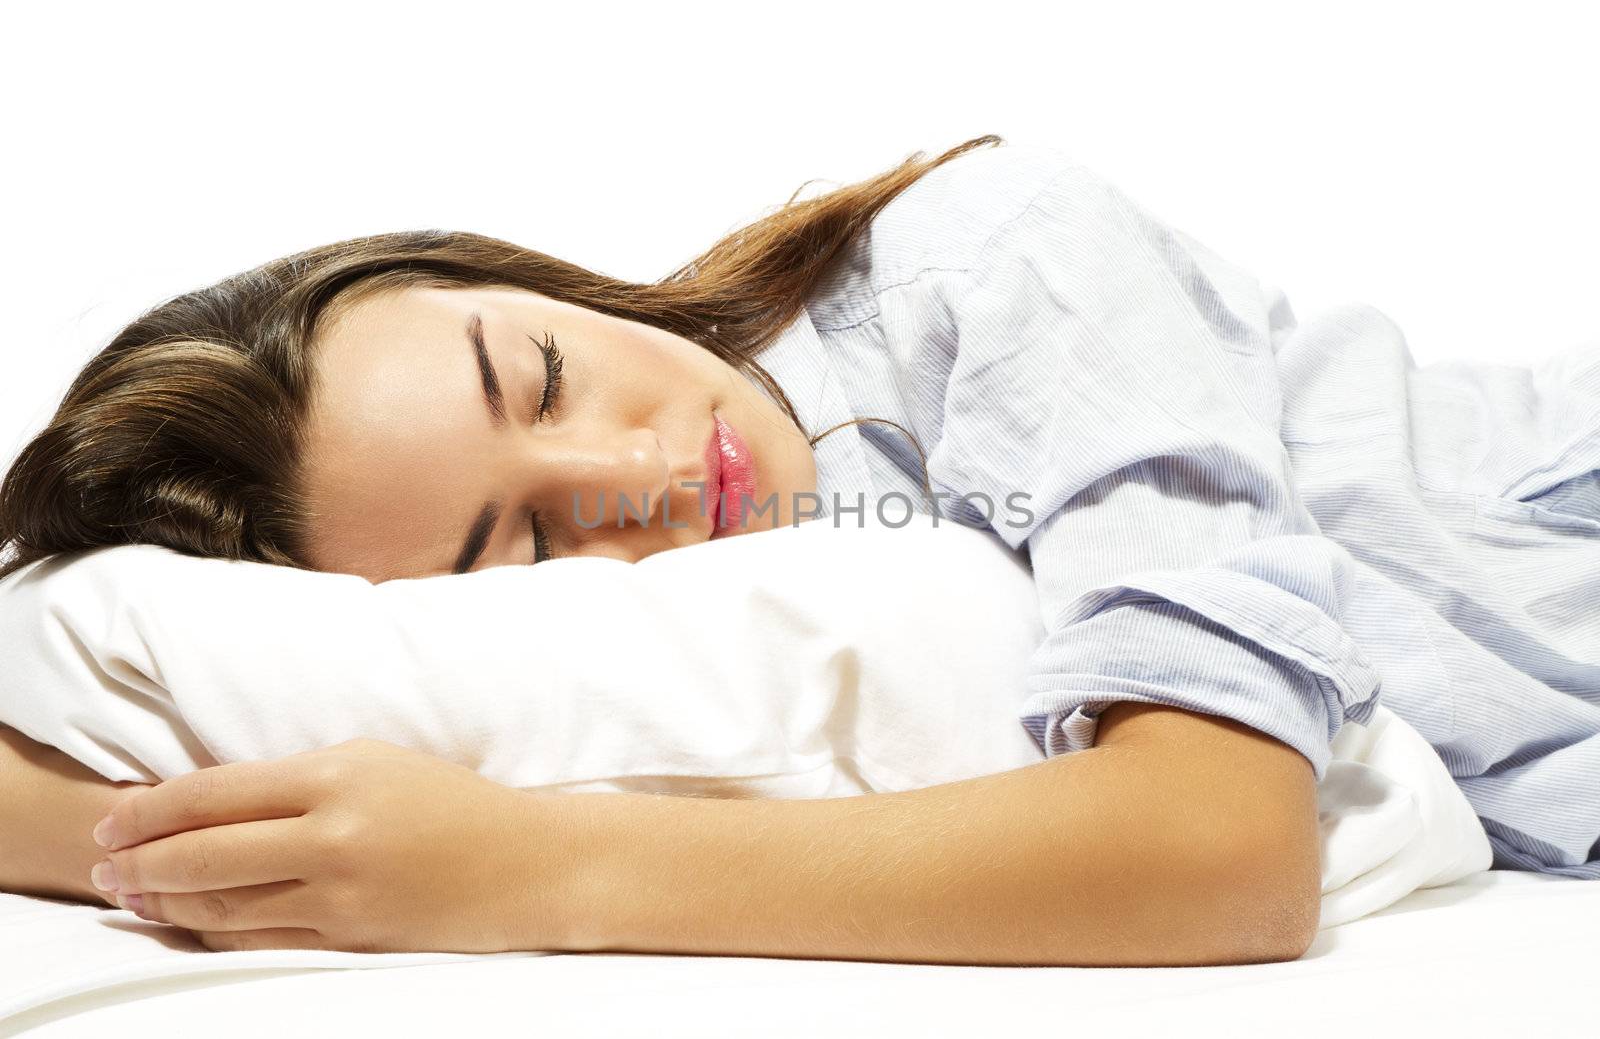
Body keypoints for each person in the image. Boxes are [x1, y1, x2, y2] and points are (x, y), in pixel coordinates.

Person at [0, 135, 1595, 967]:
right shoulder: (779, 603)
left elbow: (1222, 849)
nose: (640, 470)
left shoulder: (984, 252)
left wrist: (525, 873)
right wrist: (141, 852)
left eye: (544, 374)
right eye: (532, 538)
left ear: (519, 276)